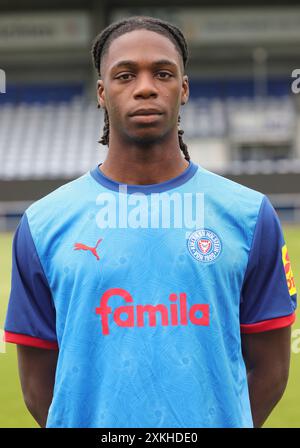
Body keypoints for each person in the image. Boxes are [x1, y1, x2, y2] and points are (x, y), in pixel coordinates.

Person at [4, 16, 297, 428]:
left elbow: (270, 371)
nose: (145, 87)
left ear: (185, 88)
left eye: (163, 73)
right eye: (125, 75)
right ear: (102, 93)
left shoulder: (249, 215)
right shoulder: (43, 223)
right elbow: (38, 387)